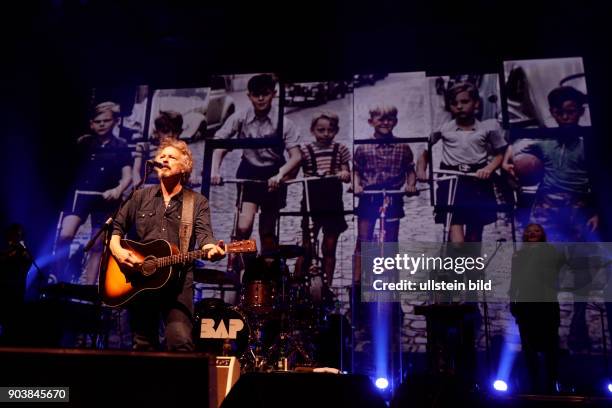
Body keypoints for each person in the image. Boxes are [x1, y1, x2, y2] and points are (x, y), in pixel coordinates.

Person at [502, 85, 599, 352]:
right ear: (554, 114)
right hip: (547, 208)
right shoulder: (545, 141)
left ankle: (578, 321)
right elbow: (515, 149)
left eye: (572, 111)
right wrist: (508, 164)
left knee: (582, 268)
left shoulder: (588, 143)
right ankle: (547, 327)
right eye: (561, 112)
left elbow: (601, 179)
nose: (567, 117)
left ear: (580, 112)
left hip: (579, 208)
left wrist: (596, 212)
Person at [110, 139, 226, 351]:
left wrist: (212, 250)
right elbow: (115, 229)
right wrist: (118, 252)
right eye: (161, 156)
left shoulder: (196, 201)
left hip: (178, 284)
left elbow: (205, 237)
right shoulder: (140, 196)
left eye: (171, 157)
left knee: (180, 342)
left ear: (185, 167)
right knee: (142, 344)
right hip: (142, 281)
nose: (164, 159)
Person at [210, 74, 301, 246]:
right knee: (243, 228)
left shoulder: (284, 122)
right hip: (249, 173)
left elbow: (296, 156)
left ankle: (266, 266)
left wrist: (281, 174)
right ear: (249, 95)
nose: (260, 99)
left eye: (265, 94)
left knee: (267, 231)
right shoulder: (240, 117)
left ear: (273, 94)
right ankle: (246, 266)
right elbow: (218, 143)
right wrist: (215, 170)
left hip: (273, 176)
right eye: (256, 94)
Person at [417, 81, 507, 243]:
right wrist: (422, 170)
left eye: (464, 102)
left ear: (476, 103)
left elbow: (501, 153)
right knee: (457, 241)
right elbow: (425, 150)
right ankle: (455, 265)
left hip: (478, 181)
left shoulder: (487, 128)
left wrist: (489, 168)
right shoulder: (444, 128)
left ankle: (473, 268)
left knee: (474, 237)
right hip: (452, 183)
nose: (459, 106)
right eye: (454, 103)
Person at [55, 101, 133, 284]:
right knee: (65, 235)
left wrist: (118, 190)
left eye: (106, 120)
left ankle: (89, 288)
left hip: (106, 199)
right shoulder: (83, 143)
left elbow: (128, 176)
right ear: (91, 123)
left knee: (97, 245)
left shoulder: (121, 146)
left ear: (115, 121)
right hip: (80, 197)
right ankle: (59, 279)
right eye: (98, 121)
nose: (102, 124)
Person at [353, 105, 416, 284]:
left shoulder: (402, 146)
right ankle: (357, 281)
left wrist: (411, 184)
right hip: (369, 197)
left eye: (389, 119)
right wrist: (356, 185)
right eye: (380, 119)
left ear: (395, 122)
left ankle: (390, 279)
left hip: (393, 197)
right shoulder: (363, 147)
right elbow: (356, 170)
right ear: (371, 122)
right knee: (363, 239)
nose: (385, 123)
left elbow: (410, 169)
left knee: (391, 240)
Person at [296, 111, 351, 288]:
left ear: (336, 131)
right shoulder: (305, 150)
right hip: (312, 201)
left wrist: (344, 173)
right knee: (307, 245)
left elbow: (346, 172)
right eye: (321, 130)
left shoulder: (340, 149)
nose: (326, 134)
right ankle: (299, 282)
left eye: (330, 130)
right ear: (313, 130)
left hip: (333, 201)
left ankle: (327, 286)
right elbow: (295, 169)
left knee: (329, 246)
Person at [509, 223, 564, 393]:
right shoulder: (519, 255)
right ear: (525, 234)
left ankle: (551, 384)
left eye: (536, 231)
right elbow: (515, 280)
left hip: (546, 305)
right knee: (529, 348)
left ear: (542, 234)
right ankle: (534, 384)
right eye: (529, 231)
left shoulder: (550, 252)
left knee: (550, 348)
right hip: (526, 307)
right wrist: (513, 301)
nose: (532, 233)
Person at [132, 110, 183, 186]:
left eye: (175, 131)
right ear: (157, 132)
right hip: (148, 188)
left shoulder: (180, 150)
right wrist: (139, 188)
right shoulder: (145, 147)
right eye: (165, 131)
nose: (171, 135)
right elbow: (136, 171)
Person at [0, 224, 32, 345]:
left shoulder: (22, 250)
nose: (19, 236)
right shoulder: (4, 248)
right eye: (17, 234)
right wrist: (9, 255)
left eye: (20, 234)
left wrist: (23, 251)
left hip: (17, 290)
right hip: (3, 289)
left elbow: (28, 262)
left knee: (13, 320)